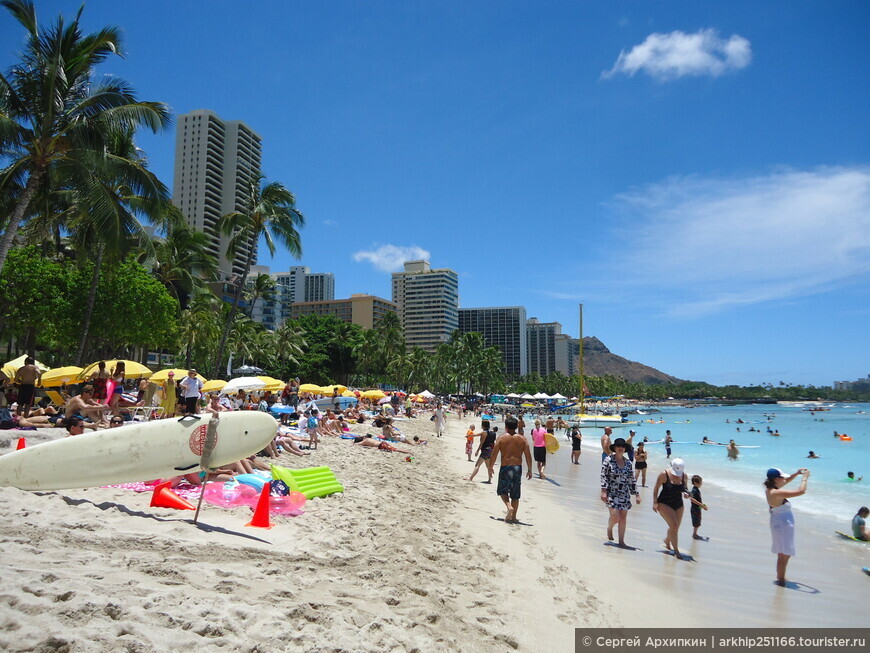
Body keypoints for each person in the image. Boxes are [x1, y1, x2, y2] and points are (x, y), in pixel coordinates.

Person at [764, 467, 809, 585]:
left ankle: (781, 577)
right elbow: (801, 491)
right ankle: (781, 580)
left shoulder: (771, 489)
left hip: (779, 522)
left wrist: (796, 474)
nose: (784, 479)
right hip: (782, 524)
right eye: (782, 477)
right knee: (784, 554)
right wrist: (805, 478)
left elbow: (786, 481)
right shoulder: (776, 492)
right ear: (776, 479)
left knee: (783, 553)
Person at [490, 415, 532, 524]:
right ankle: (513, 517)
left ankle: (508, 507)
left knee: (502, 491)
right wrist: (530, 469)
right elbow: (528, 455)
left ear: (506, 427)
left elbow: (494, 454)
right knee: (515, 493)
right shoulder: (523, 439)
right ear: (517, 427)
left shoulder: (501, 438)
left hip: (506, 466)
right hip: (517, 468)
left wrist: (490, 467)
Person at [600, 437, 640, 547]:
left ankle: (621, 541)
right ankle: (609, 528)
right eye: (618, 446)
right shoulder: (608, 460)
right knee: (615, 516)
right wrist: (603, 491)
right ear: (615, 448)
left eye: (622, 446)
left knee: (623, 518)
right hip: (611, 492)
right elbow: (603, 476)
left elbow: (632, 479)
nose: (620, 448)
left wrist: (637, 494)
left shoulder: (628, 463)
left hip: (624, 493)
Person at [652, 458, 691, 559]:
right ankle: (676, 551)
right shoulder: (664, 474)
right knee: (673, 525)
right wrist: (655, 502)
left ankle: (667, 540)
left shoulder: (684, 476)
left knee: (675, 527)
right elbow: (656, 487)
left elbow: (685, 489)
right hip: (664, 502)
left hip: (678, 503)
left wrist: (687, 494)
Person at [689, 475, 709, 540]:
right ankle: (694, 534)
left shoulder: (696, 489)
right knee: (696, 522)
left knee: (698, 521)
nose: (701, 484)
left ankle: (695, 533)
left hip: (697, 508)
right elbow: (692, 499)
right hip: (694, 509)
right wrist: (701, 505)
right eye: (700, 482)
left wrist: (702, 506)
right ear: (695, 482)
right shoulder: (694, 490)